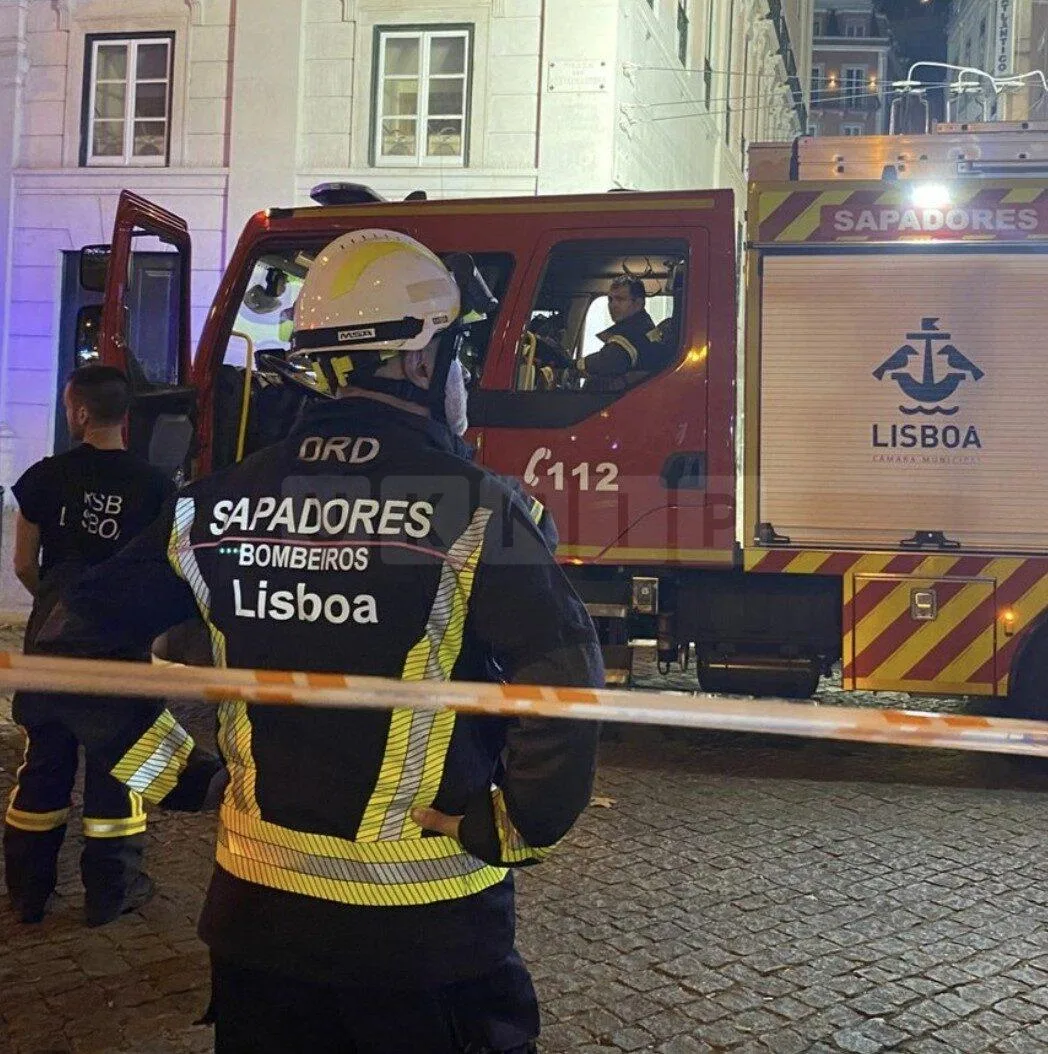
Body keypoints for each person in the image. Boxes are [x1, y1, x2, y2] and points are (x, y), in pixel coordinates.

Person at [37, 229, 604, 1054]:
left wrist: (180, 778)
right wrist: (518, 825)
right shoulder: (481, 508)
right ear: (417, 360)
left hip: (258, 930)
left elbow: (69, 646)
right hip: (427, 946)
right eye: (452, 351)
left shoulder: (214, 505)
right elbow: (563, 681)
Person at [3, 364, 177, 926]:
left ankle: (29, 894)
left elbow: (25, 565)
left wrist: (58, 607)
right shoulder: (156, 488)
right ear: (125, 415)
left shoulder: (42, 478)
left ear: (78, 412)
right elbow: (165, 573)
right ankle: (111, 892)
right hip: (117, 646)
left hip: (51, 641)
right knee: (120, 765)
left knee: (43, 763)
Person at [574, 275, 670, 388]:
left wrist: (572, 365)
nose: (613, 305)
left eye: (620, 299)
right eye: (610, 300)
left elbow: (608, 361)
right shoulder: (645, 326)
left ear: (638, 303)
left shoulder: (632, 334)